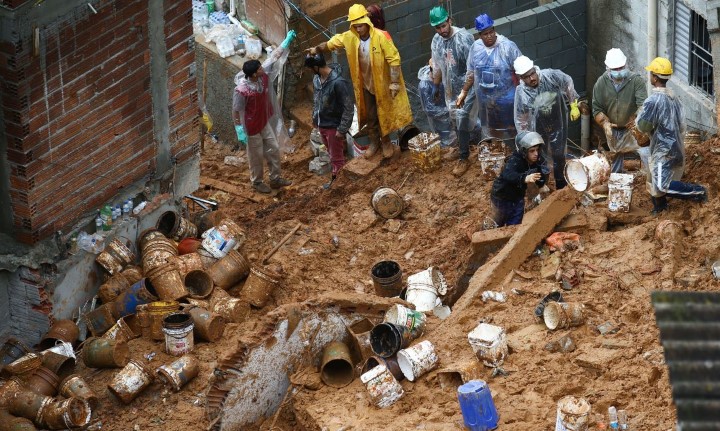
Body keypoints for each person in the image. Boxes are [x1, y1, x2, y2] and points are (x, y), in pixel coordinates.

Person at [307, 4, 413, 160]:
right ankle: (374, 143)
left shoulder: (381, 36)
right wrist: (317, 49)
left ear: (367, 22)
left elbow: (394, 59)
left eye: (360, 25)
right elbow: (332, 43)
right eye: (355, 26)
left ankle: (386, 143)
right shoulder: (350, 38)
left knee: (383, 114)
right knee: (371, 116)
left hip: (382, 85)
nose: (358, 29)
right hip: (366, 85)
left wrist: (395, 82)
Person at [636, 57, 707, 215]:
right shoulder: (674, 98)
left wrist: (641, 122)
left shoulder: (653, 101)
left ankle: (698, 191)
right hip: (675, 146)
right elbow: (682, 125)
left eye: (651, 74)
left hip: (663, 149)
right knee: (654, 177)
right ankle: (660, 208)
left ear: (654, 77)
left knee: (662, 185)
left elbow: (642, 125)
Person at [233, 33, 297, 194]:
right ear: (254, 74)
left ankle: (275, 178)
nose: (263, 69)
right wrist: (239, 129)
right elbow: (236, 110)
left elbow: (274, 57)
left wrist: (285, 42)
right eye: (259, 68)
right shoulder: (242, 90)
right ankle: (257, 182)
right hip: (251, 127)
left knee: (273, 148)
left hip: (263, 121)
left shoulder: (262, 78)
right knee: (256, 156)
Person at [513, 55, 580, 190]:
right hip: (537, 128)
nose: (532, 78)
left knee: (559, 154)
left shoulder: (550, 76)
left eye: (532, 73)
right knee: (539, 156)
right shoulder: (521, 92)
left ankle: (561, 183)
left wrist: (573, 104)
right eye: (527, 76)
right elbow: (521, 117)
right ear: (521, 78)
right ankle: (542, 184)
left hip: (557, 121)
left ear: (535, 69)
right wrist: (524, 137)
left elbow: (567, 81)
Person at [429, 5, 478, 177]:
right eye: (437, 27)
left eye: (443, 25)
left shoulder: (463, 39)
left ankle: (464, 157)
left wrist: (465, 92)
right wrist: (436, 85)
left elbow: (472, 70)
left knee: (463, 119)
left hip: (468, 87)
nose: (441, 30)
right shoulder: (436, 40)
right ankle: (461, 147)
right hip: (450, 88)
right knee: (454, 119)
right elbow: (437, 65)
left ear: (449, 20)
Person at [458, 13, 521, 141]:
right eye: (485, 34)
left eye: (491, 32)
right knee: (492, 131)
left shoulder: (507, 47)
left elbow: (521, 71)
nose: (490, 36)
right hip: (486, 101)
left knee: (511, 131)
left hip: (507, 100)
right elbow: (471, 73)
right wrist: (463, 92)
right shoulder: (476, 48)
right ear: (479, 35)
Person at [591, 48, 648, 173]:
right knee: (615, 156)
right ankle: (617, 179)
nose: (619, 71)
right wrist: (604, 123)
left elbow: (643, 105)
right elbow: (596, 108)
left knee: (644, 152)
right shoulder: (601, 83)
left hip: (632, 128)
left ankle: (647, 178)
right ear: (608, 68)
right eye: (615, 69)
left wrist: (637, 120)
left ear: (626, 65)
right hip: (613, 129)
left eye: (621, 68)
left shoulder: (636, 81)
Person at [304, 53, 355, 189]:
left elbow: (348, 108)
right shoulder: (317, 79)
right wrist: (315, 117)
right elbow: (316, 100)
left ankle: (339, 185)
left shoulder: (338, 83)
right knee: (331, 154)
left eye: (310, 68)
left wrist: (342, 129)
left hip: (333, 126)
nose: (310, 71)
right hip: (322, 124)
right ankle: (338, 180)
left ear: (316, 67)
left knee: (336, 158)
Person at [490, 131, 548, 226]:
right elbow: (507, 174)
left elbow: (538, 171)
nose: (536, 154)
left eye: (537, 150)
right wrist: (524, 178)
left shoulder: (534, 160)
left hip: (518, 196)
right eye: (532, 150)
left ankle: (512, 237)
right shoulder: (515, 161)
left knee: (515, 223)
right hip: (502, 196)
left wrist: (541, 185)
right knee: (497, 222)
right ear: (523, 151)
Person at [418, 59, 455, 147]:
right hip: (440, 121)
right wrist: (449, 111)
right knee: (447, 143)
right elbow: (429, 109)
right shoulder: (425, 85)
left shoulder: (446, 79)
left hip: (451, 114)